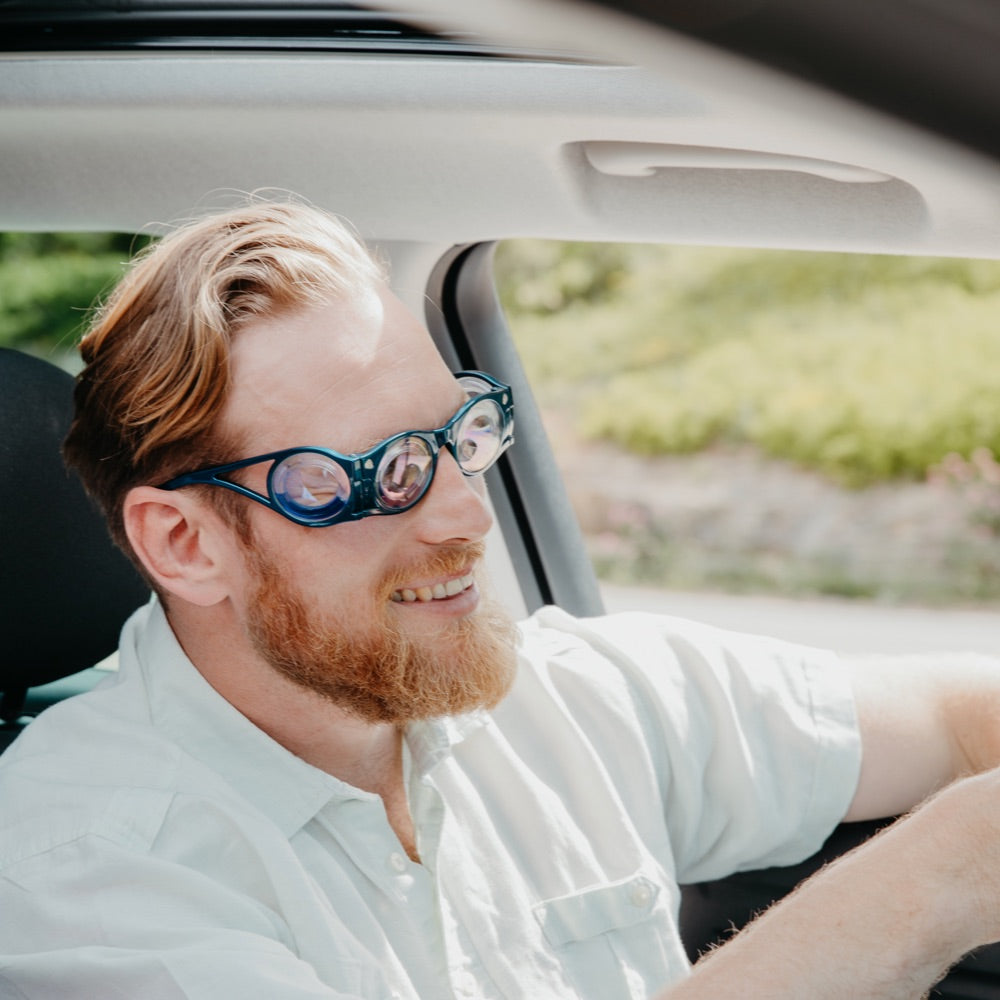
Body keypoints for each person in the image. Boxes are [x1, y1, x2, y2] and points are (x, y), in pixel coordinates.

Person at [1, 198, 1000, 1000]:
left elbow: (957, 720)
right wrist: (942, 872)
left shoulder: (554, 695)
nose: (466, 516)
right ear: (186, 542)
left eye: (459, 438)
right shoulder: (78, 874)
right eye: (384, 471)